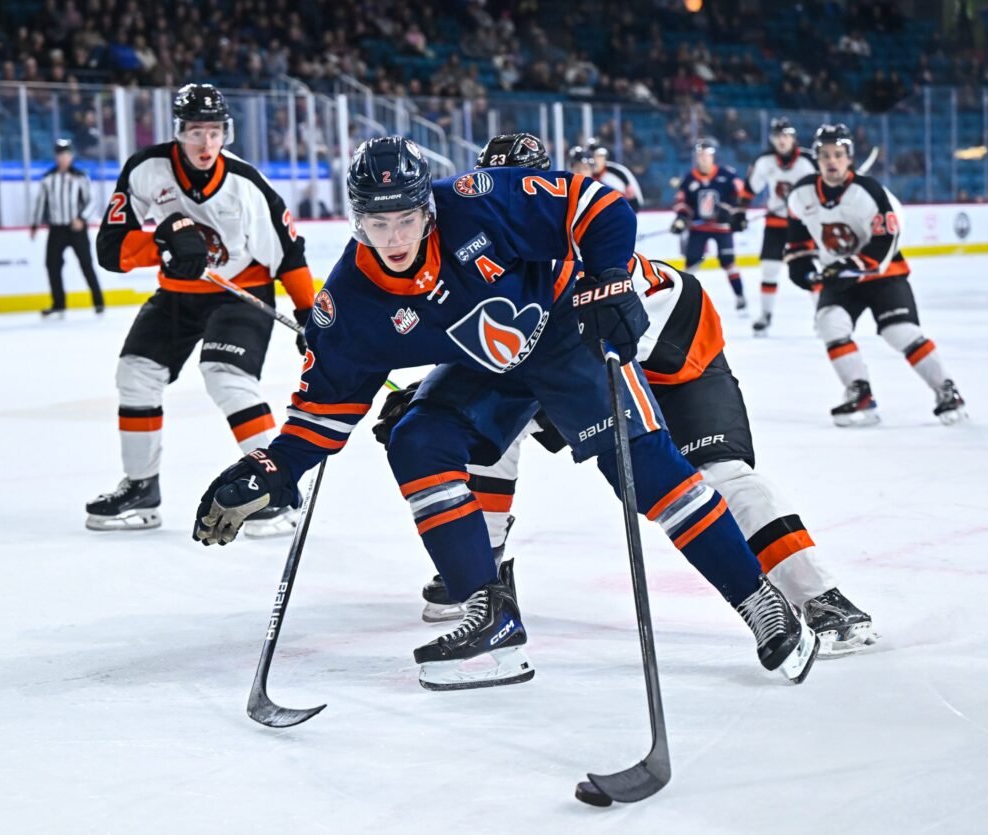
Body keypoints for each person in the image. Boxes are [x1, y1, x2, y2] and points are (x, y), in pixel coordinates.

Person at [193, 135, 819, 691]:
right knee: (416, 437)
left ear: (428, 207)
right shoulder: (350, 303)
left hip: (566, 334)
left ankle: (759, 600)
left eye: (406, 219)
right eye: (377, 224)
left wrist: (608, 279)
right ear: (356, 221)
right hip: (489, 367)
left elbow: (597, 204)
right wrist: (273, 468)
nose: (395, 238)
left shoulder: (478, 200)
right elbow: (323, 413)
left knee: (643, 470)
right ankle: (489, 615)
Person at [375, 133, 877, 657]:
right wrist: (435, 399)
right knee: (490, 439)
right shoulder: (486, 248)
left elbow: (536, 342)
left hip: (678, 363)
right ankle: (485, 571)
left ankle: (820, 595)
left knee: (718, 475)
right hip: (587, 368)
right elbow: (503, 345)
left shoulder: (565, 246)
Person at [86, 83, 314, 533]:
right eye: (195, 132)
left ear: (226, 133)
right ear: (179, 131)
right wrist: (162, 241)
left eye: (214, 132)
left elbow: (289, 254)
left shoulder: (247, 184)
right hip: (178, 293)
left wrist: (310, 317)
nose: (205, 143)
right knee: (136, 373)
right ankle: (141, 488)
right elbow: (111, 250)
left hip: (240, 290)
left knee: (226, 376)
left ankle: (275, 488)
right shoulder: (147, 169)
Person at [785, 124, 967, 427]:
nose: (832, 161)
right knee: (830, 324)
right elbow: (797, 233)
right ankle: (860, 393)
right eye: (825, 155)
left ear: (849, 158)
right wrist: (800, 265)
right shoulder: (801, 193)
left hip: (883, 274)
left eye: (838, 154)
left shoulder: (869, 191)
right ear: (817, 158)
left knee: (900, 332)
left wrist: (851, 266)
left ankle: (946, 390)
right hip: (838, 277)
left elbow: (887, 239)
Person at [744, 118, 818, 335]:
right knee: (769, 269)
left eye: (786, 136)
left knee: (808, 271)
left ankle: (822, 315)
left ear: (793, 138)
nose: (782, 140)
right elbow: (749, 189)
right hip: (775, 223)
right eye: (778, 136)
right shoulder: (764, 161)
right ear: (772, 139)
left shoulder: (808, 161)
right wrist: (739, 212)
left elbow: (823, 187)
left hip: (802, 223)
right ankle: (765, 315)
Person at [671, 136, 751, 310]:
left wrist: (731, 212)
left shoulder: (727, 175)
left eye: (706, 155)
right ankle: (682, 299)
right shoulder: (689, 179)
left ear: (713, 156)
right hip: (698, 228)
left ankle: (740, 296)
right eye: (700, 155)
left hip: (722, 228)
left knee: (728, 261)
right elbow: (682, 201)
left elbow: (741, 196)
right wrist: (681, 218)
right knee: (691, 263)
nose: (703, 158)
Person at [30, 138, 104, 317]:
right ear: (56, 157)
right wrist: (35, 224)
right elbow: (41, 202)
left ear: (71, 156)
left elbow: (91, 201)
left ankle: (98, 302)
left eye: (66, 155)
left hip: (76, 228)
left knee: (86, 264)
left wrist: (82, 218)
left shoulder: (80, 177)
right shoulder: (48, 178)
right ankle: (59, 304)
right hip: (57, 228)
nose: (63, 158)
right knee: (52, 265)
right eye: (60, 155)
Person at [587, 138, 643, 210]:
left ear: (605, 157)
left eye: (598, 156)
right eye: (590, 156)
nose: (594, 160)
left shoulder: (619, 173)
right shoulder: (582, 175)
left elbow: (636, 202)